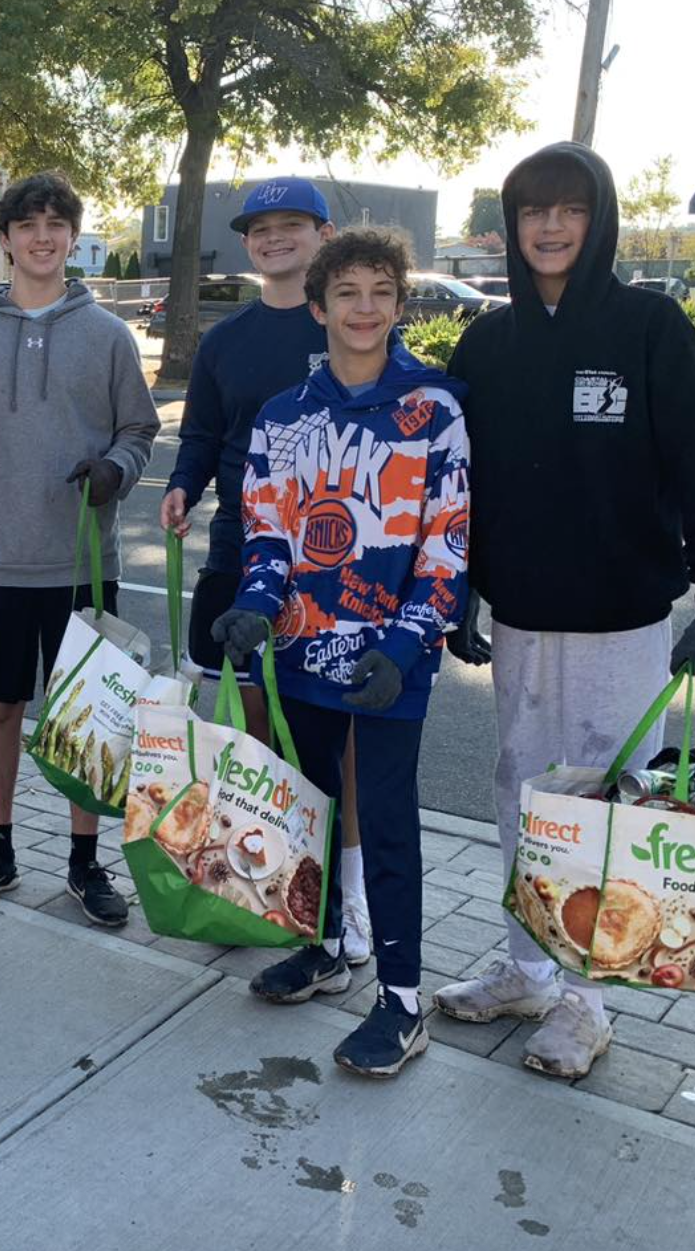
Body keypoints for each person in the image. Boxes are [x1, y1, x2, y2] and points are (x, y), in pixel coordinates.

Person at [434, 143, 695, 1078]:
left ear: (598, 218)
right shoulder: (488, 343)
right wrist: (460, 585)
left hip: (623, 620)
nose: (550, 226)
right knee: (522, 793)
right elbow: (460, 484)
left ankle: (590, 1001)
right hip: (525, 615)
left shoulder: (651, 328)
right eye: (533, 209)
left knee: (607, 804)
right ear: (511, 222)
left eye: (570, 209)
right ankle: (530, 968)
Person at [213, 227, 469, 1078]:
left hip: (393, 661)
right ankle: (327, 946)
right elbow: (267, 533)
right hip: (301, 649)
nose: (365, 309)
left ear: (400, 305)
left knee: (388, 823)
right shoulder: (284, 417)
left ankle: (401, 1000)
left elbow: (447, 546)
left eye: (381, 293)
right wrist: (254, 607)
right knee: (312, 808)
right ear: (318, 307)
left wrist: (406, 641)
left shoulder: (436, 412)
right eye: (348, 294)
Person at [159, 179, 376, 965]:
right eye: (261, 229)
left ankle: (347, 903)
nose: (275, 239)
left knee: (341, 743)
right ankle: (270, 885)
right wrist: (183, 484)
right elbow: (204, 435)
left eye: (292, 226)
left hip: (341, 574)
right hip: (241, 559)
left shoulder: (354, 324)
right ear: (246, 242)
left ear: (324, 234)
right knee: (257, 736)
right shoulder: (226, 342)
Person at [0, 172, 160, 927]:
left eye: (56, 222)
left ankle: (84, 863)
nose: (42, 235)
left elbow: (140, 429)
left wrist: (117, 470)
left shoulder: (108, 336)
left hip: (81, 561)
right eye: (27, 223)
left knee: (88, 719)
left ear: (72, 236)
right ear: (4, 239)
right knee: (0, 708)